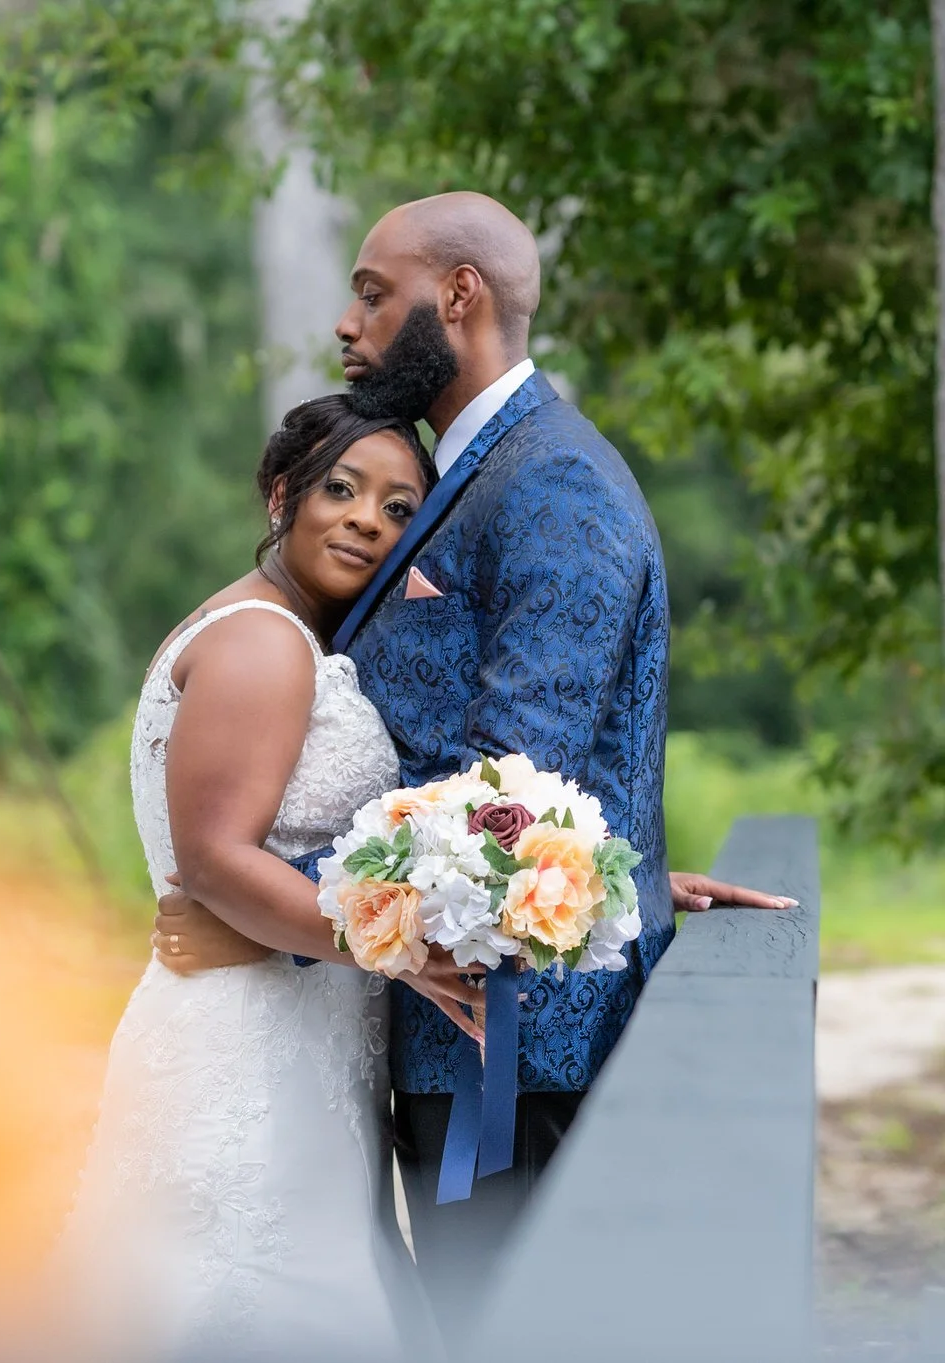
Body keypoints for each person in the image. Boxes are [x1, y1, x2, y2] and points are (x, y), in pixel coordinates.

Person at [147, 192, 792, 1350]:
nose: (347, 326)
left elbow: (508, 795)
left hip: (515, 1044)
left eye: (371, 293)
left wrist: (272, 923)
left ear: (458, 298)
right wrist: (622, 860)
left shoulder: (547, 480)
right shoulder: (475, 468)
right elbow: (539, 784)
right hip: (444, 1022)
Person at [55, 395, 462, 1362]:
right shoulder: (260, 641)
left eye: (401, 507)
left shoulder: (301, 638)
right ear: (283, 495)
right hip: (247, 1054)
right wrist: (402, 948)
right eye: (343, 489)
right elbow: (218, 861)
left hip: (301, 1050)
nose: (370, 518)